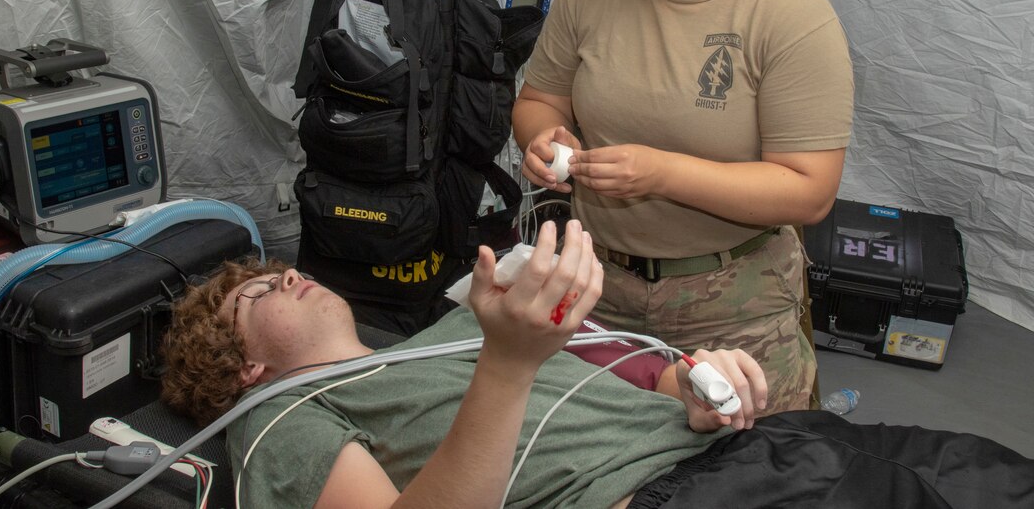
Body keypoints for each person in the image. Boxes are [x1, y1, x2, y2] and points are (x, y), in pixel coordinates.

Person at [161, 221, 1034, 509]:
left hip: (757, 445)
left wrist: (693, 381)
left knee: (994, 477)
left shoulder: (458, 323)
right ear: (240, 366)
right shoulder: (279, 422)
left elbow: (645, 370)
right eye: (262, 292)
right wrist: (507, 361)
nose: (293, 272)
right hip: (672, 497)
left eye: (282, 265)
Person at [511, 0, 855, 413]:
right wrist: (543, 139)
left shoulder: (787, 13)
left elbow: (809, 191)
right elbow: (538, 99)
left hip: (736, 309)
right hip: (597, 291)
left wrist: (662, 173)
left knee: (747, 478)